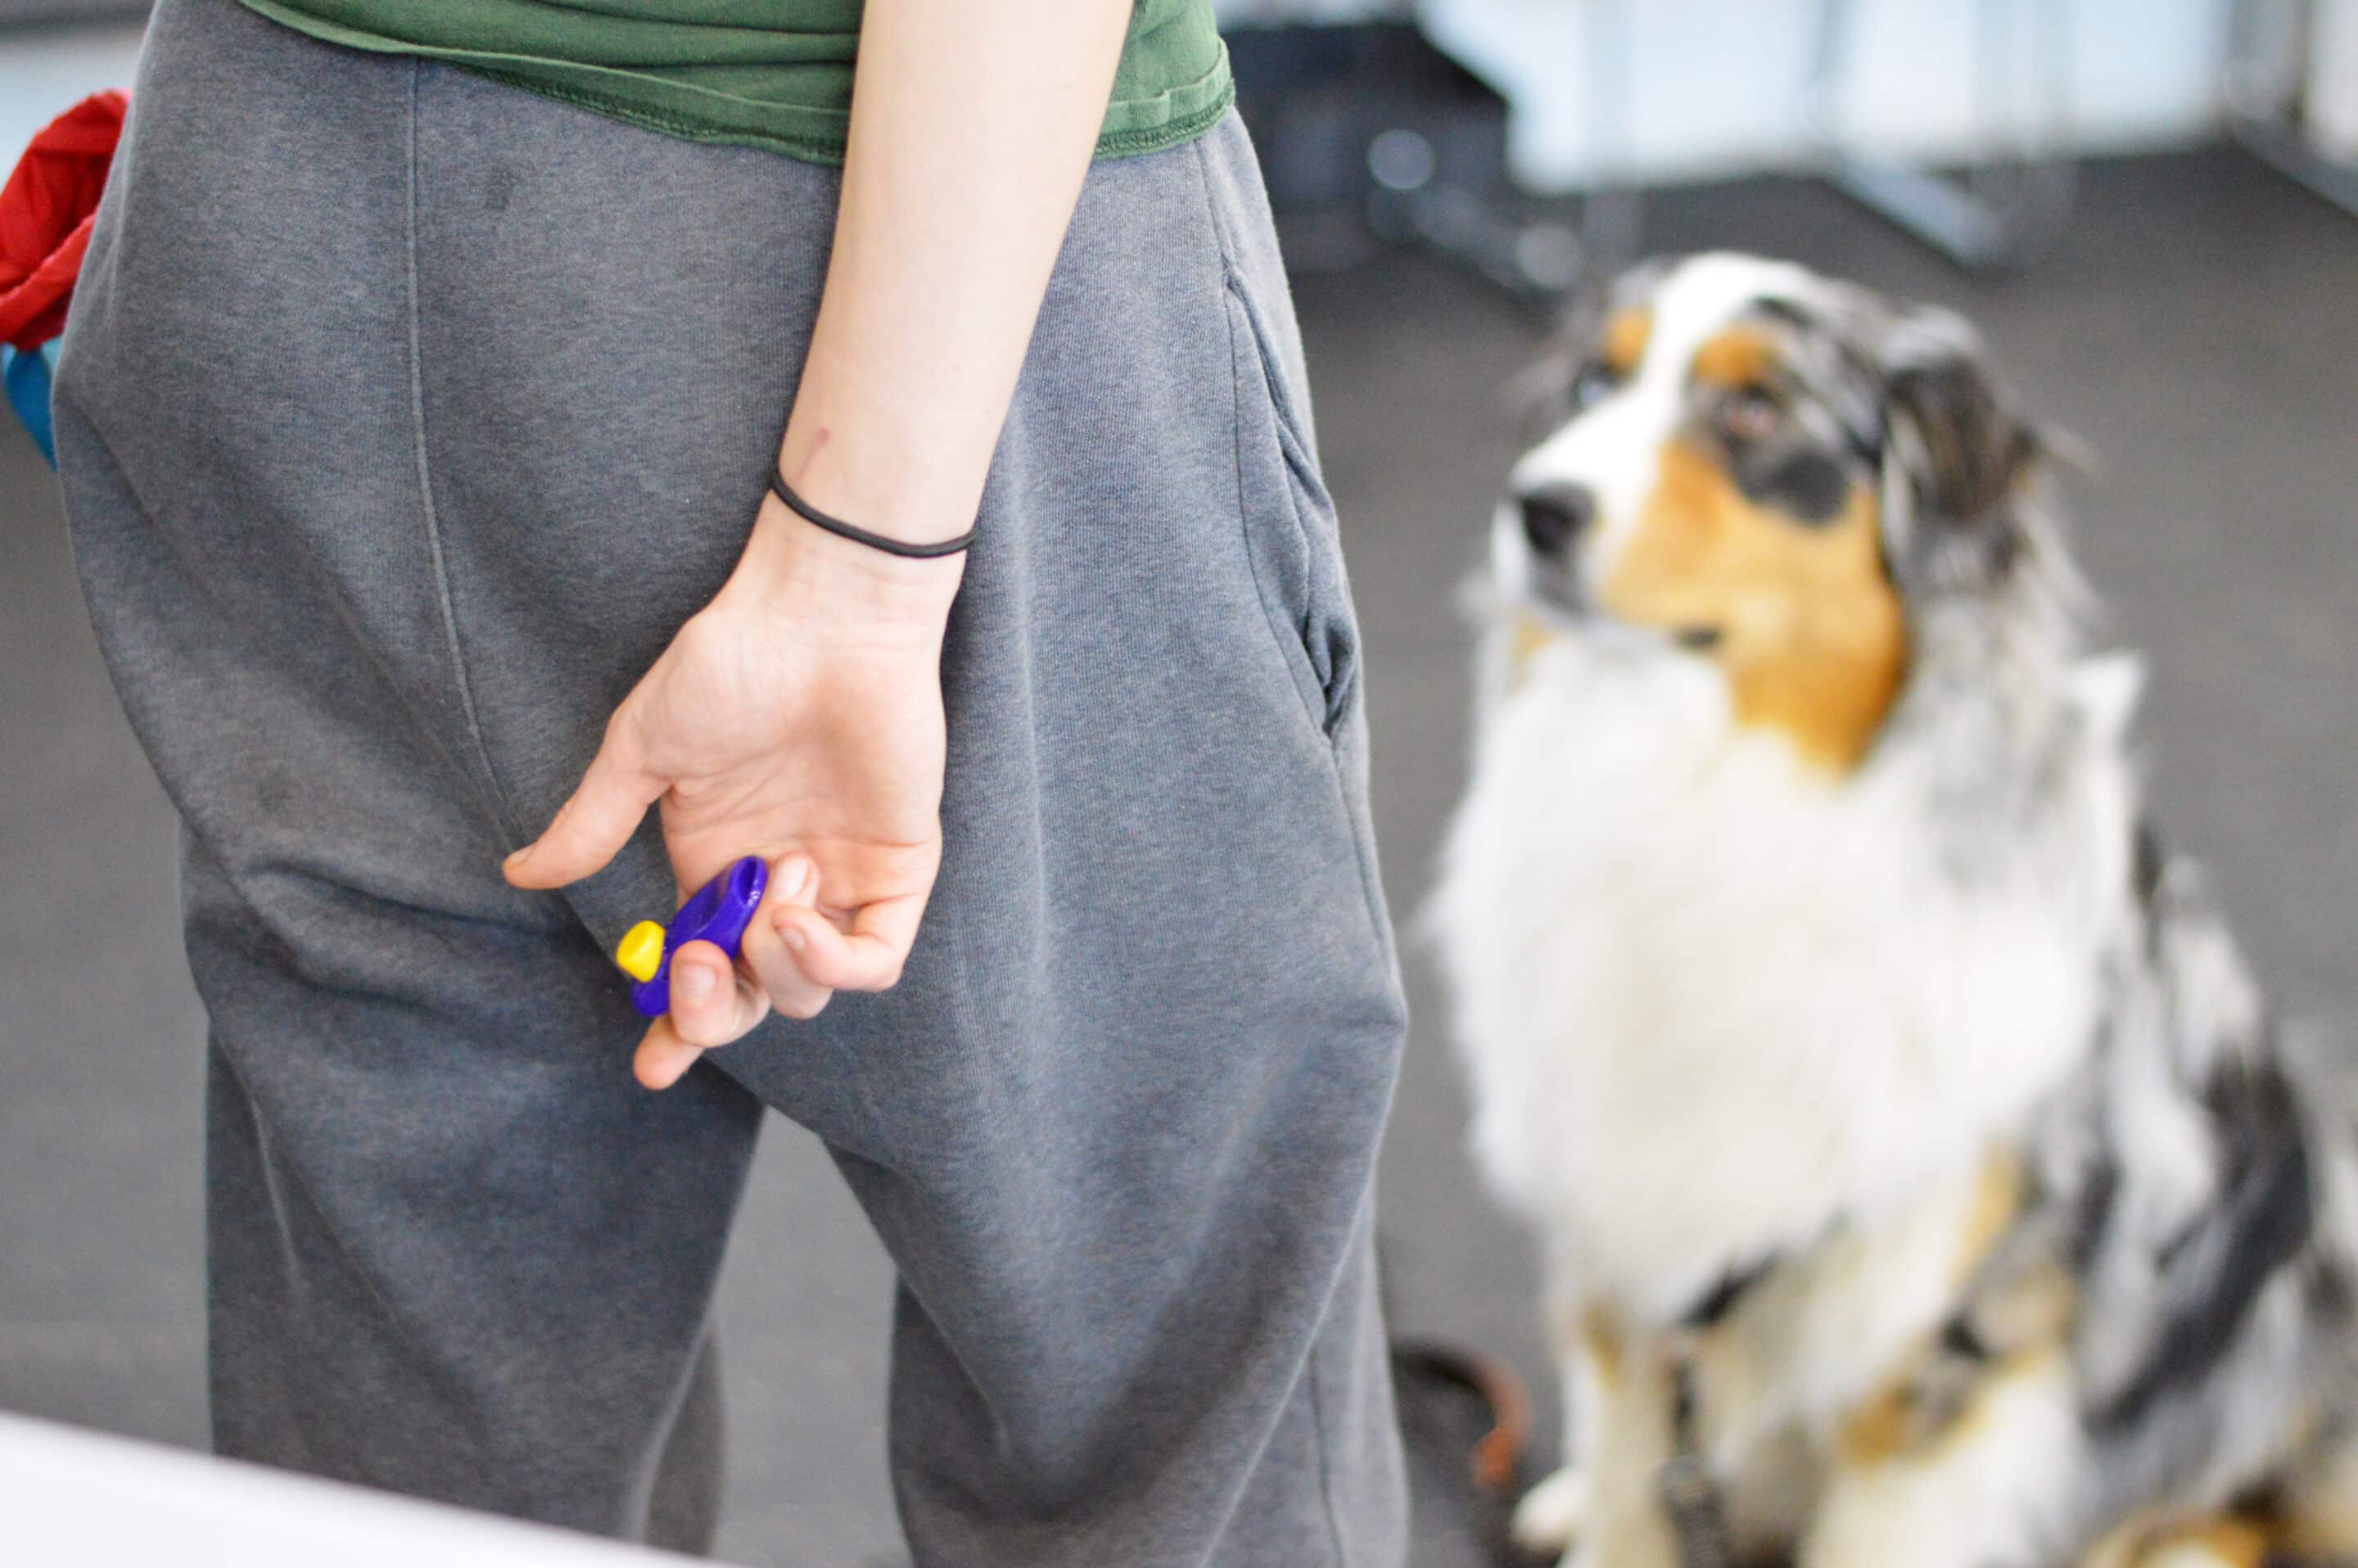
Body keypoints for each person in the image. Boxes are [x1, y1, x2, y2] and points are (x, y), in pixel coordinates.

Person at [52, 0, 1410, 1561]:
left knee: (414, 1438)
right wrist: (863, 567)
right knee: (1167, 1375)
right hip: (837, 220)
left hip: (276, 190)